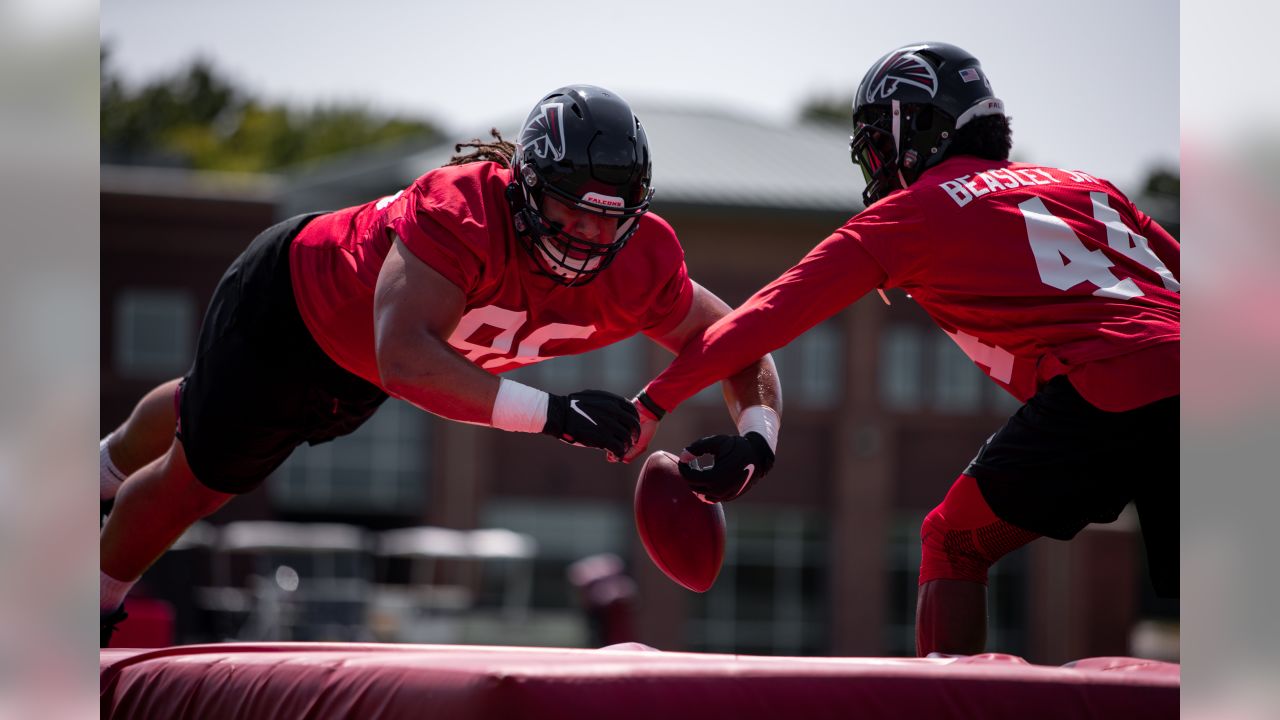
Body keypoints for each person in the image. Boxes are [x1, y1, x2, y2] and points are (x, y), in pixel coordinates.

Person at [99, 84, 782, 647]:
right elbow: (405, 359)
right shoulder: (462, 212)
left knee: (202, 412)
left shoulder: (641, 262)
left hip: (357, 366)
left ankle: (102, 466)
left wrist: (757, 437)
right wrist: (554, 414)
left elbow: (741, 342)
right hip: (291, 310)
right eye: (574, 212)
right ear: (526, 187)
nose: (593, 237)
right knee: (203, 482)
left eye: (613, 218)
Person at [634, 43, 1179, 657]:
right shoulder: (1092, 185)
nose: (875, 163)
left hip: (1111, 382)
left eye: (878, 143)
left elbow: (766, 316)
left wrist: (651, 403)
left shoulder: (915, 213)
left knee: (954, 542)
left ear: (917, 126)